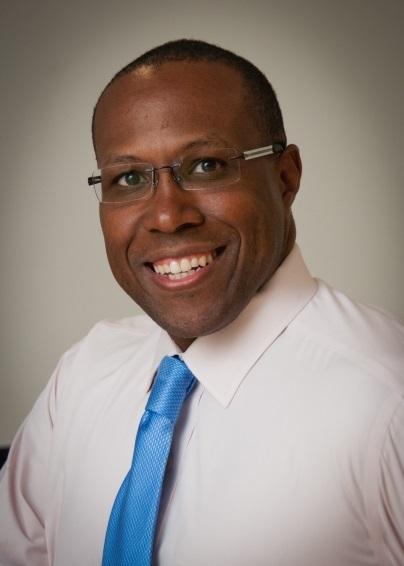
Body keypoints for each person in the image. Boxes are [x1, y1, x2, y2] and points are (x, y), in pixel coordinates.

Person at [0, 39, 403, 566]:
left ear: (286, 178)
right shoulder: (82, 376)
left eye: (207, 165)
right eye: (129, 178)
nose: (168, 216)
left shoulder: (387, 404)